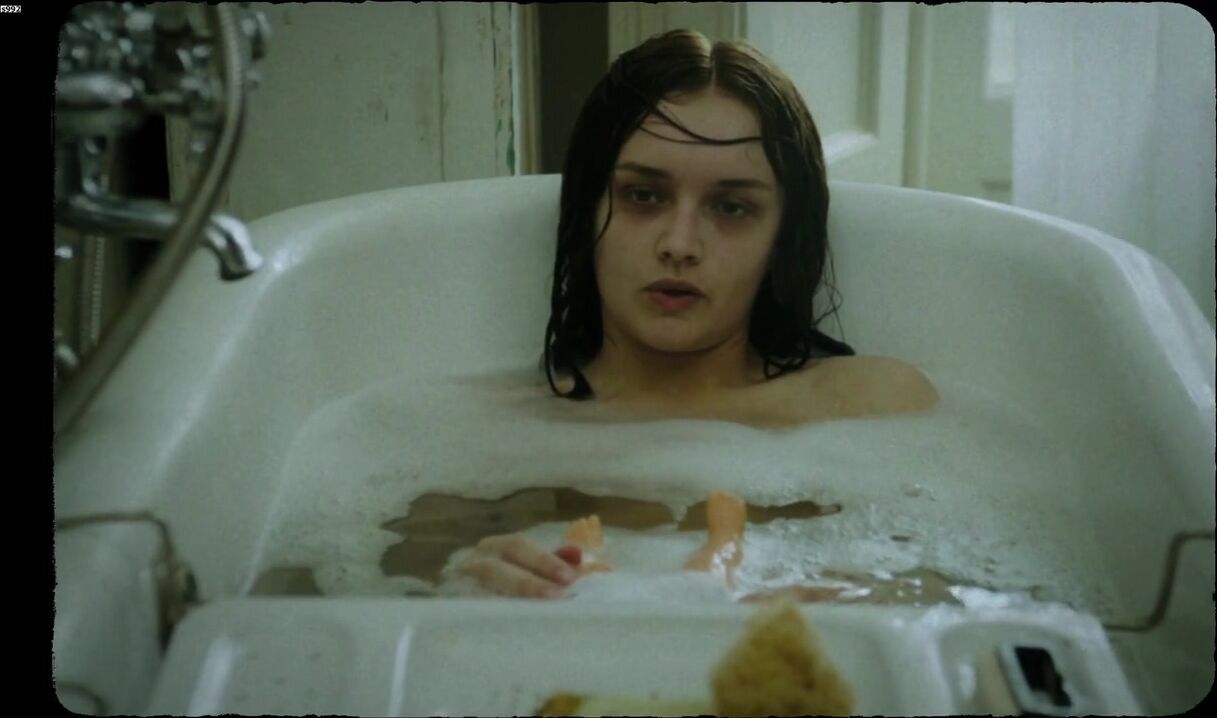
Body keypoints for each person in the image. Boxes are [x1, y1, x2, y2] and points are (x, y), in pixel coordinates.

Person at [458, 29, 939, 599]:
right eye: (643, 196)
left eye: (731, 207)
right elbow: (384, 593)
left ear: (782, 239)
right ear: (587, 211)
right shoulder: (489, 437)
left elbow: (955, 592)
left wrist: (858, 595)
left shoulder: (875, 405)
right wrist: (465, 580)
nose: (680, 245)